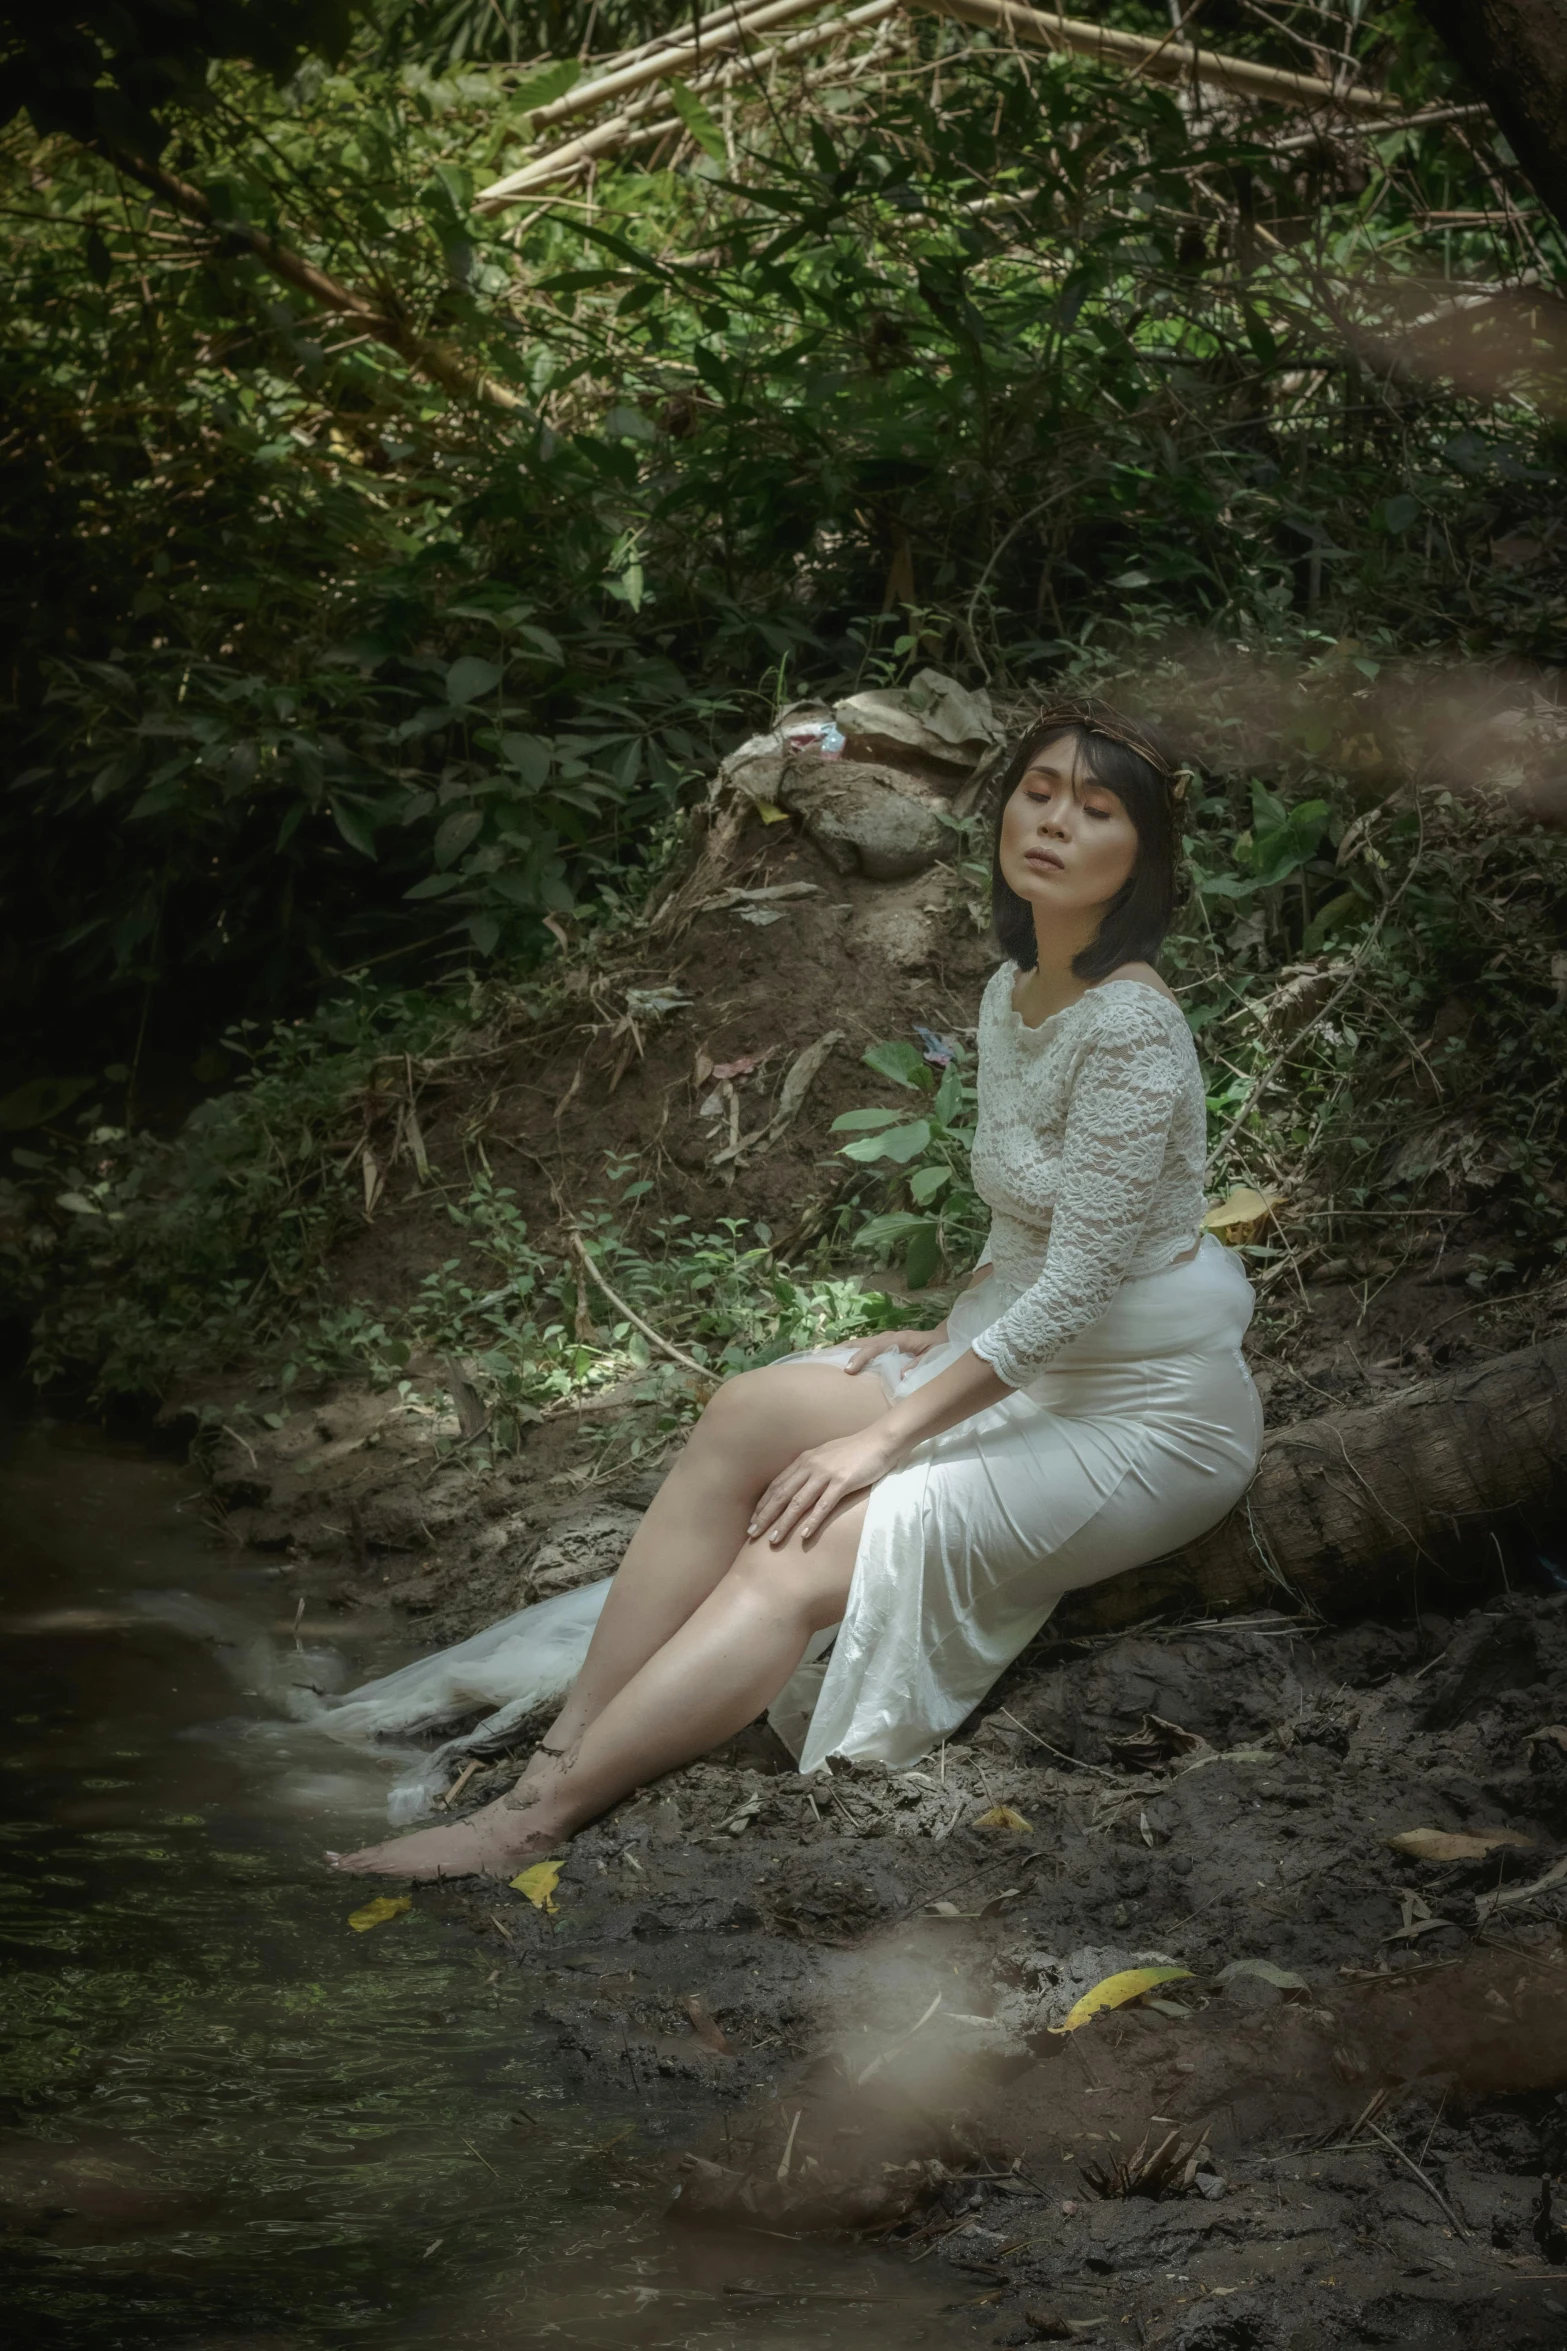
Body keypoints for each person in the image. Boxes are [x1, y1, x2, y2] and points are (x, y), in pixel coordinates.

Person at [328, 698, 1262, 1879]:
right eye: (1037, 792)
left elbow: (1079, 1283)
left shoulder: (1130, 1026)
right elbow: (1034, 1217)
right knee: (749, 1411)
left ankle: (526, 1827)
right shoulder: (1014, 988)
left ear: (1143, 855)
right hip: (1031, 1354)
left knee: (803, 1547)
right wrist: (953, 1317)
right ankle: (558, 1750)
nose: (1053, 824)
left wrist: (873, 1446)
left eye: (1095, 808)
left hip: (1142, 1417)